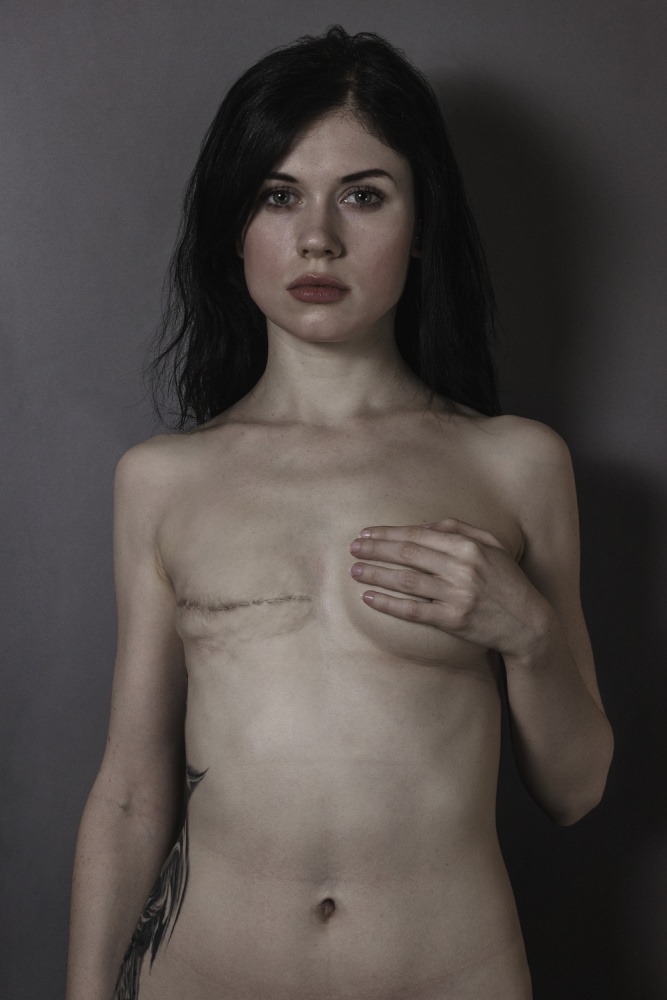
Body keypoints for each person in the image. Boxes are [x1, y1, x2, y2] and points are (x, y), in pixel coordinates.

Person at [66, 25, 614, 1000]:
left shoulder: (515, 463)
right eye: (279, 196)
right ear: (235, 224)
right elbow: (129, 795)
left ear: (421, 219)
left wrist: (526, 633)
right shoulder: (163, 480)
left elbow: (575, 791)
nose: (317, 237)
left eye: (363, 195)